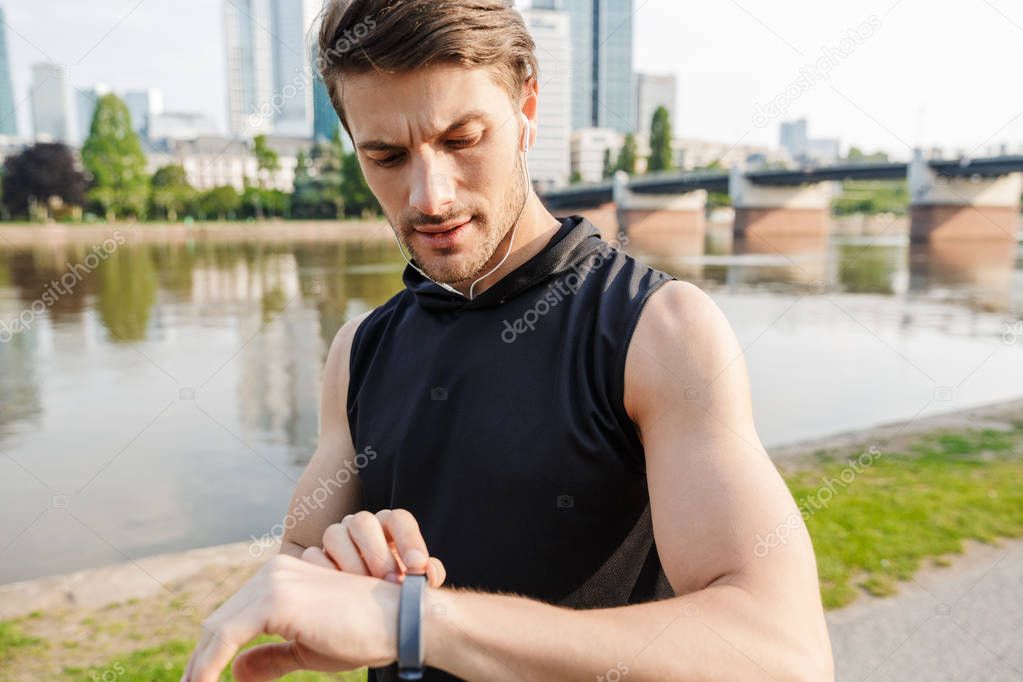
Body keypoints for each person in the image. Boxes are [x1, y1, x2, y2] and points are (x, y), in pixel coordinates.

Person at [182, 1, 833, 680]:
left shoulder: (657, 330)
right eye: (386, 155)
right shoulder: (359, 349)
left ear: (526, 111)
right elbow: (302, 562)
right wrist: (351, 557)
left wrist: (413, 622)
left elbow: (780, 655)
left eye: (462, 139)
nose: (429, 196)